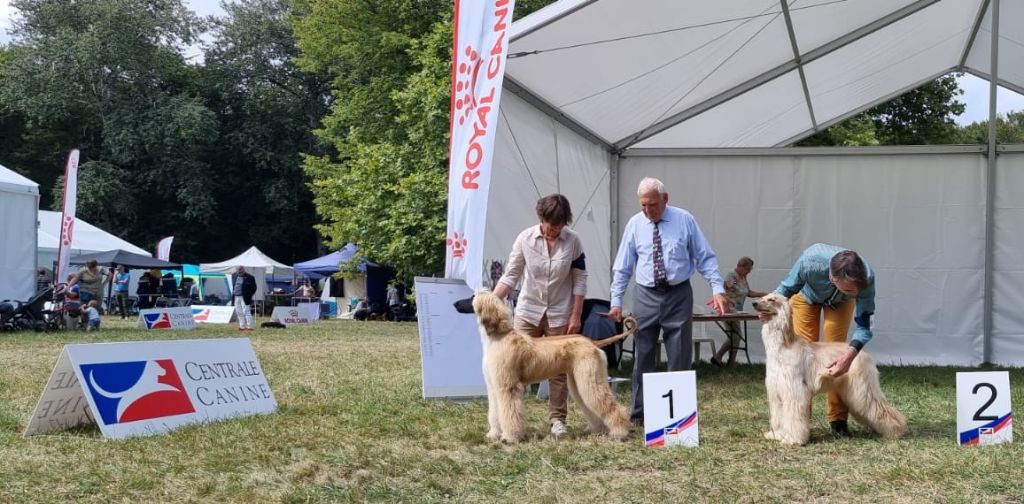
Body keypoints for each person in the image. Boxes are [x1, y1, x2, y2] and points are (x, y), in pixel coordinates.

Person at [609, 177, 728, 427]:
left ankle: (679, 417)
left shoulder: (684, 220)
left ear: (665, 199)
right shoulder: (635, 224)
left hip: (678, 295)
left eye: (652, 204)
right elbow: (623, 266)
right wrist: (616, 301)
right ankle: (640, 414)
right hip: (645, 295)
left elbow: (704, 257)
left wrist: (717, 289)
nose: (647, 210)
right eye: (643, 205)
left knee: (679, 355)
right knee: (643, 355)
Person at [491, 193, 587, 438]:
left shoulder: (573, 241)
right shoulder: (525, 238)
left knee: (558, 369)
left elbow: (579, 280)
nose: (554, 230)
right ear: (540, 218)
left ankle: (557, 420)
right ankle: (512, 423)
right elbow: (510, 275)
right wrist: (492, 301)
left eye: (560, 225)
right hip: (528, 312)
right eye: (550, 224)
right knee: (513, 370)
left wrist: (576, 315)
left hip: (560, 313)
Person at [769, 243, 876, 438]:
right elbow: (785, 289)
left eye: (855, 291)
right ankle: (799, 422)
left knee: (837, 357)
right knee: (800, 359)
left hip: (839, 304)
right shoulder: (809, 262)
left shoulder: (865, 280)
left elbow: (864, 326)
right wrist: (769, 309)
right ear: (831, 278)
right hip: (806, 297)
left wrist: (850, 355)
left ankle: (838, 420)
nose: (855, 294)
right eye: (849, 290)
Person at [711, 256, 768, 367]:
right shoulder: (731, 276)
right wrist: (721, 305)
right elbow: (722, 290)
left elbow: (748, 292)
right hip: (729, 310)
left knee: (735, 335)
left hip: (737, 311)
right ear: (740, 266)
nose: (749, 272)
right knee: (736, 336)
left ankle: (729, 361)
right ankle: (719, 357)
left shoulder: (743, 277)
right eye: (747, 269)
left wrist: (762, 294)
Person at [233, 266, 257, 331]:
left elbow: (254, 288)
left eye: (240, 271)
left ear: (244, 270)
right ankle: (242, 326)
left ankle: (250, 327)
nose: (239, 272)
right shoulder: (234, 276)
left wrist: (249, 295)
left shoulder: (250, 277)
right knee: (238, 312)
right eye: (238, 271)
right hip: (236, 296)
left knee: (246, 311)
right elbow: (234, 285)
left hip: (244, 297)